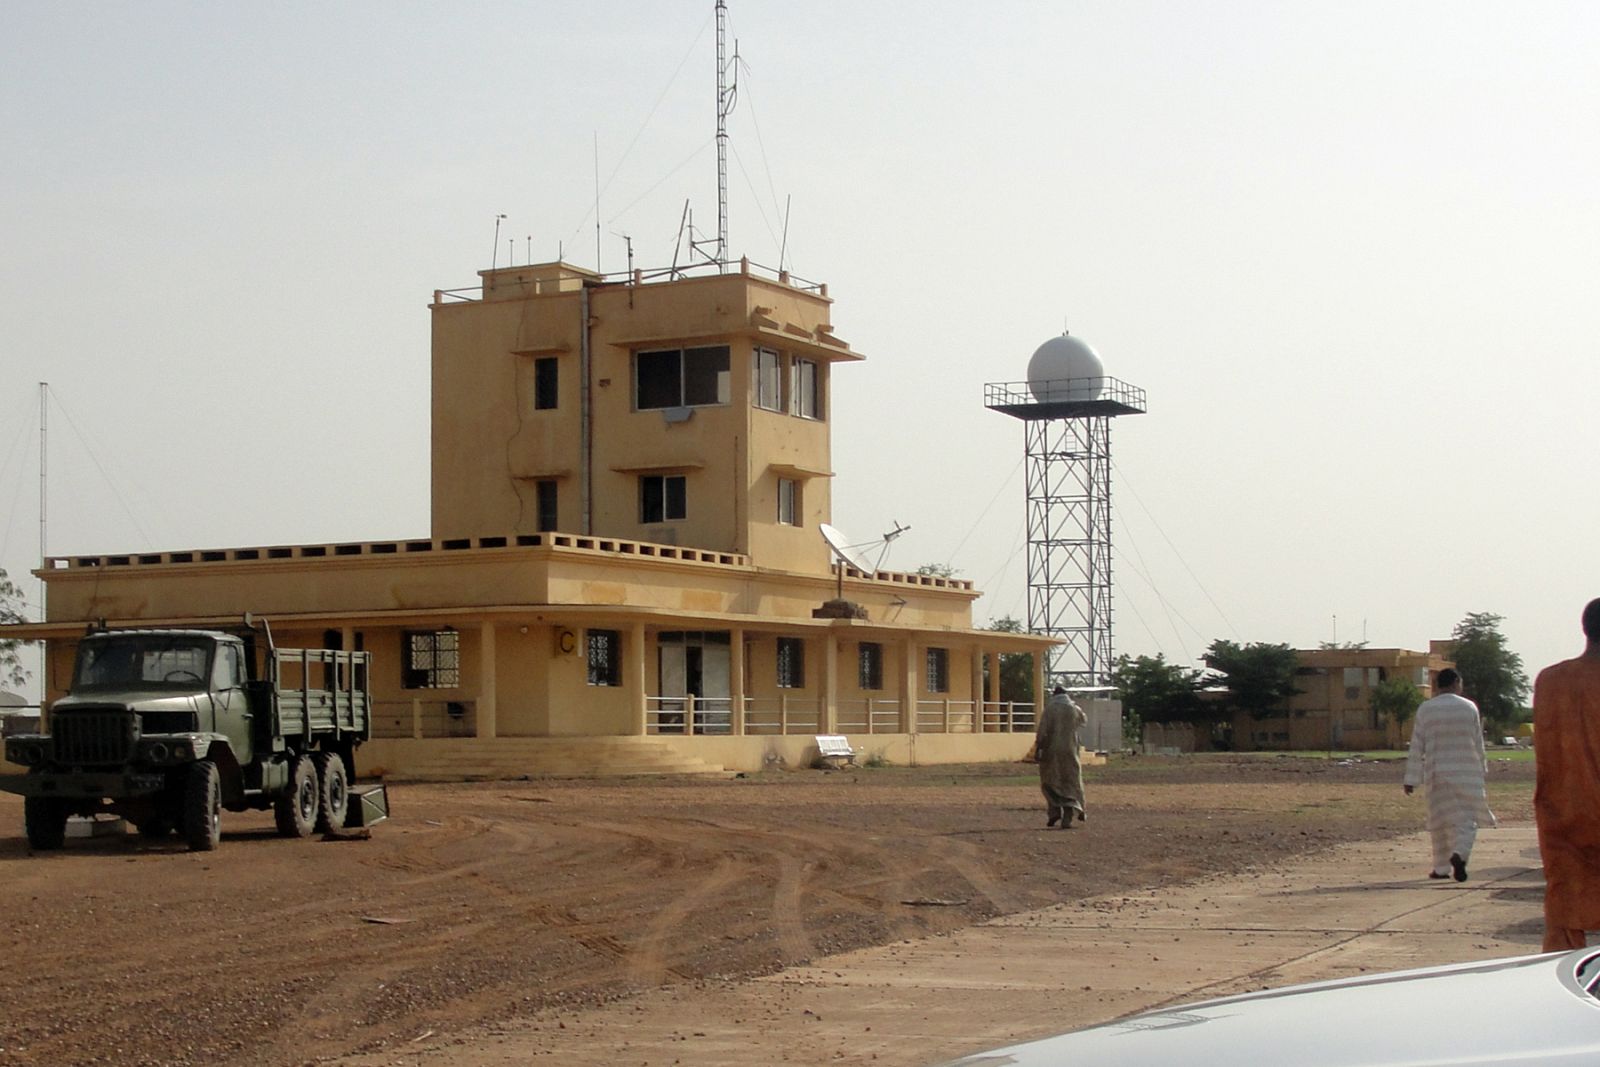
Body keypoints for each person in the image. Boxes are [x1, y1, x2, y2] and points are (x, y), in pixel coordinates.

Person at [1533, 598, 1600, 951]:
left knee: (1564, 914)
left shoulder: (1551, 681)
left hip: (1566, 815)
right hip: (1571, 812)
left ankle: (1561, 987)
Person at [1403, 668, 1494, 882]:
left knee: (1439, 822)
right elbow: (1478, 743)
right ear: (1455, 683)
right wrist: (1482, 768)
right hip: (1467, 773)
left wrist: (1411, 779)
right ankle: (1460, 854)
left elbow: (1417, 745)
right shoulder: (1469, 707)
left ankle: (1441, 868)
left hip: (1436, 773)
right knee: (1468, 820)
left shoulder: (1426, 709)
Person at [1035, 685, 1087, 828]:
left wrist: (1038, 746)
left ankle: (1054, 811)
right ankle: (1068, 816)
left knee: (1051, 780)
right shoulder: (1074, 708)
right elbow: (1083, 721)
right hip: (1070, 750)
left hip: (1051, 750)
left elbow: (1042, 730)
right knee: (1070, 781)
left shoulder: (1050, 709)